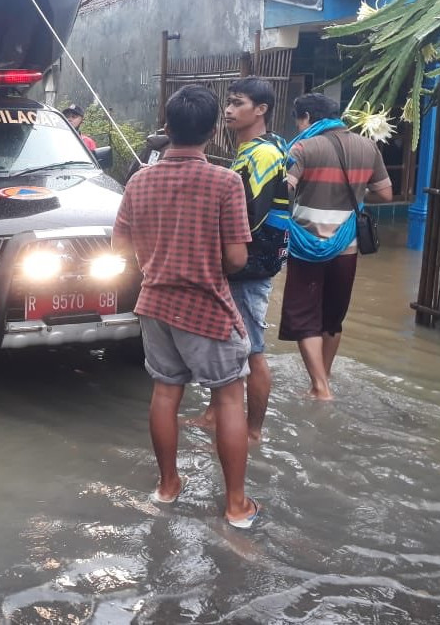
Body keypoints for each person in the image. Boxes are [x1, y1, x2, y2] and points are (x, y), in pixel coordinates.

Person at [112, 84, 259, 528]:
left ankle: (167, 486)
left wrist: (156, 260)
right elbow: (237, 258)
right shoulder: (225, 181)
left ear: (167, 127)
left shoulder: (139, 180)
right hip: (206, 305)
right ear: (213, 132)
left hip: (154, 303)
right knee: (231, 399)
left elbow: (119, 247)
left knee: (165, 393)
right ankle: (236, 506)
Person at [279, 93, 392, 399]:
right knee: (332, 317)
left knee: (304, 317)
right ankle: (323, 379)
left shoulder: (302, 147)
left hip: (305, 244)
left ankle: (320, 387)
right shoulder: (367, 147)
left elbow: (283, 190)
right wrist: (353, 192)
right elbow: (385, 194)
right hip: (347, 245)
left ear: (305, 117)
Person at [194, 77, 289, 443]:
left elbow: (249, 216)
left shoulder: (263, 153)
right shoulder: (258, 147)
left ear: (260, 109)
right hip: (245, 263)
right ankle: (214, 415)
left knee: (252, 351)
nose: (229, 111)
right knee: (231, 344)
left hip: (250, 265)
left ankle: (253, 432)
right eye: (228, 104)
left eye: (238, 103)